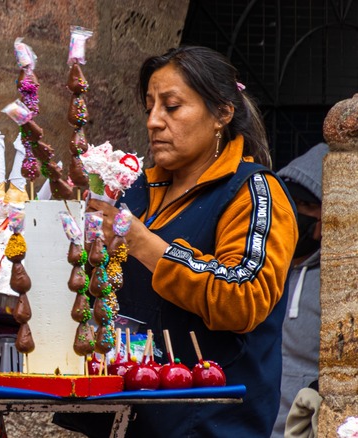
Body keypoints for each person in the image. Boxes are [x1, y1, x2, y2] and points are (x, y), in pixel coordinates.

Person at [55, 45, 298, 437]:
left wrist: (140, 242)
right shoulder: (133, 192)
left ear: (222, 113)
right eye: (149, 107)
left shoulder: (253, 192)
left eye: (171, 107)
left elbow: (243, 297)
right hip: (122, 418)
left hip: (208, 423)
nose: (153, 121)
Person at [272, 142, 328, 438]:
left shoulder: (338, 285)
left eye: (307, 206)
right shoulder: (260, 268)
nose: (294, 214)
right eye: (289, 202)